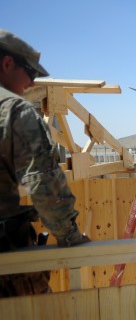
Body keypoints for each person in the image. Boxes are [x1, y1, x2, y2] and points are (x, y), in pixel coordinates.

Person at [0, 29, 91, 297]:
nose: (31, 83)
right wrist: (69, 236)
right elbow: (42, 181)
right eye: (29, 72)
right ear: (7, 64)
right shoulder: (15, 110)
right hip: (7, 267)